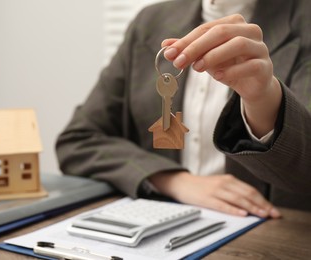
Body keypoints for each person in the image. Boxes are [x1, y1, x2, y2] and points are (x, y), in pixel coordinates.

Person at [56, 0, 311, 218]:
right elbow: (78, 140)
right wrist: (174, 180)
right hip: (159, 223)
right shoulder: (150, 22)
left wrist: (263, 100)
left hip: (269, 236)